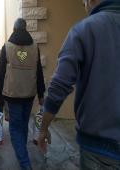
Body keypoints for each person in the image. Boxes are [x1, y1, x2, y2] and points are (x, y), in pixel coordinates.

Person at [37, 0, 120, 169]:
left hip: (99, 150)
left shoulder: (84, 29)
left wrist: (43, 128)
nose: (84, 6)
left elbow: (59, 85)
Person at [0, 18, 45, 170]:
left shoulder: (7, 47)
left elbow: (1, 73)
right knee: (22, 125)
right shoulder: (34, 47)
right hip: (29, 94)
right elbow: (39, 72)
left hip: (13, 94)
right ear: (26, 28)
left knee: (15, 129)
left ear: (15, 29)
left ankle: (25, 163)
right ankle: (22, 155)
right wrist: (41, 94)